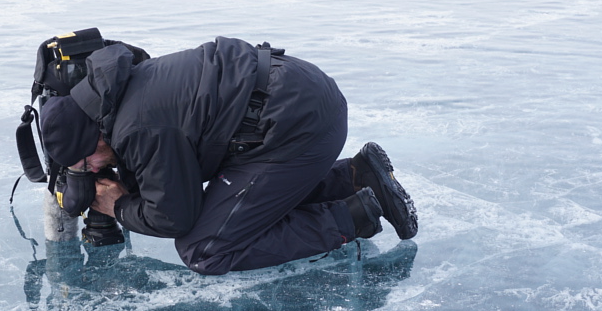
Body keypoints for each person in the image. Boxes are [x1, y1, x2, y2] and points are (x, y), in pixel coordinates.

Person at [39, 35, 417, 275]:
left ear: (94, 134)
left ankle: (354, 215)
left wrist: (117, 206)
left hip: (297, 129)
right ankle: (354, 175)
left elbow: (174, 217)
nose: (91, 169)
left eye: (86, 160)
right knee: (228, 208)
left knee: (205, 248)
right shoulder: (118, 90)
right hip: (298, 101)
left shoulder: (138, 128)